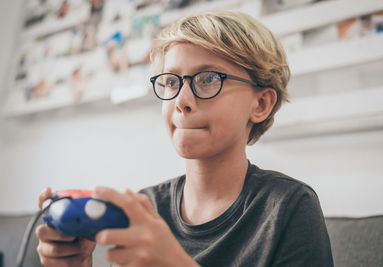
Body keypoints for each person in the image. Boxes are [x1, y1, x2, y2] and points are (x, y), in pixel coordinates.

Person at [35, 11, 334, 267]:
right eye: (170, 81)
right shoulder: (146, 206)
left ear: (261, 104)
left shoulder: (288, 207)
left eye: (208, 79)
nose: (181, 100)